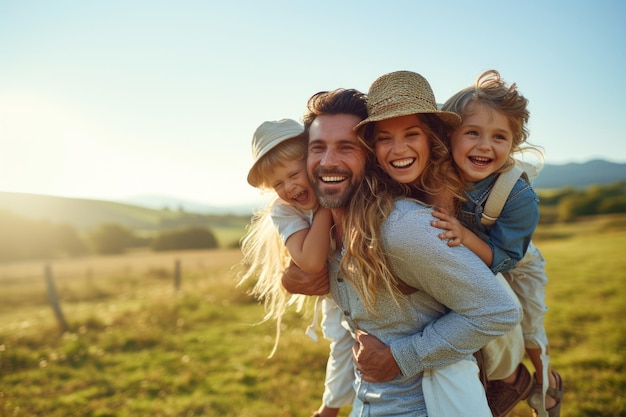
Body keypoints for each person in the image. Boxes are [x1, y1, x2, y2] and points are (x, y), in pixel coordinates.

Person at [283, 84, 522, 416]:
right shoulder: (327, 228)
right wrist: (292, 276)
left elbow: (498, 310)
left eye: (346, 147)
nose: (328, 161)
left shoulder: (401, 227)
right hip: (366, 402)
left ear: (370, 157)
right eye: (317, 147)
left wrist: (400, 357)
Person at [431, 70, 563, 417]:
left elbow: (505, 257)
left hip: (516, 261)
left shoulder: (518, 195)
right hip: (473, 255)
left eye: (499, 137)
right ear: (450, 136)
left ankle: (545, 384)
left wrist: (465, 235)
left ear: (513, 144)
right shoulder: (439, 172)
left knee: (530, 322)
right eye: (472, 132)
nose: (485, 145)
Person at [238, 119, 354, 417]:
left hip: (365, 288)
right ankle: (329, 408)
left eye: (293, 174)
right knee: (342, 344)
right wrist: (326, 206)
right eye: (277, 184)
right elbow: (311, 260)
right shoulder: (284, 209)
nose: (288, 187)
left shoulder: (348, 183)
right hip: (339, 297)